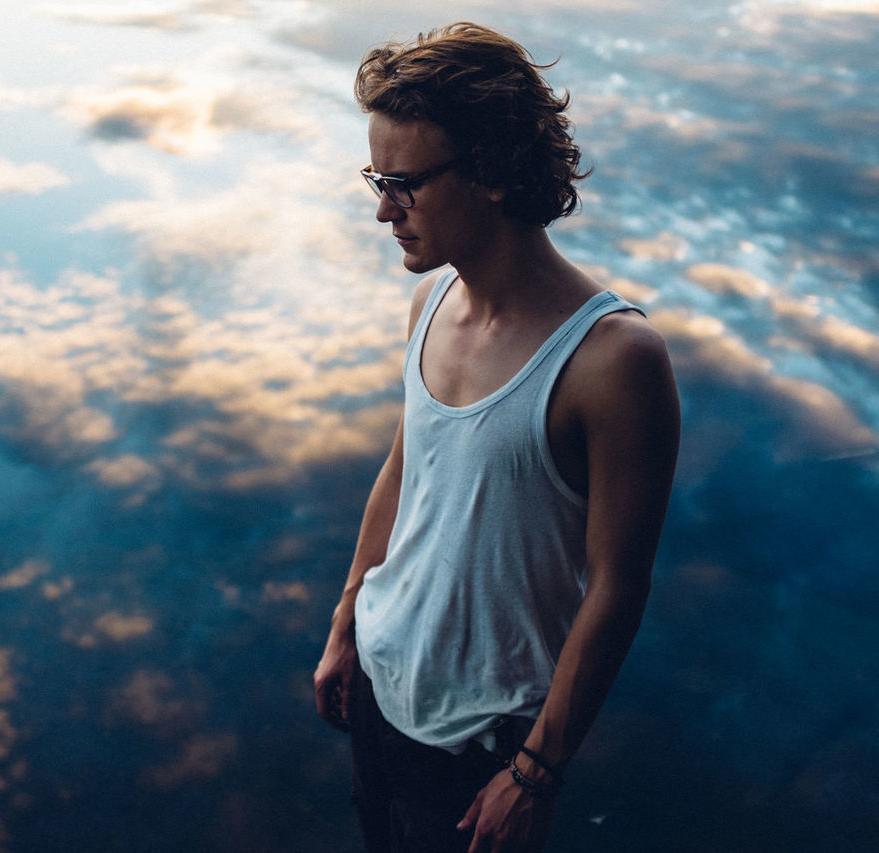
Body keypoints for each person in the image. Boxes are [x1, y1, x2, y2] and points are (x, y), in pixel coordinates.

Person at [313, 23, 681, 853]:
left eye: (403, 183)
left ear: (488, 172)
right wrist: (345, 621)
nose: (383, 209)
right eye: (377, 179)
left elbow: (618, 587)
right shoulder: (429, 304)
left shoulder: (614, 361)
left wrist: (535, 772)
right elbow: (405, 469)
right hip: (378, 687)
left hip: (481, 750)